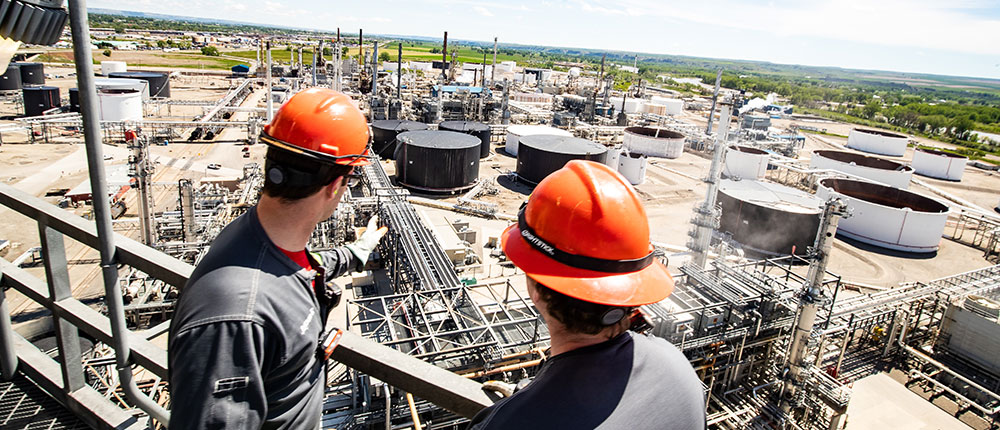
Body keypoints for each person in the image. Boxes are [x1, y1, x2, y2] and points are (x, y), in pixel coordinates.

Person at [168, 88, 387, 429]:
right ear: (336, 185)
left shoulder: (256, 236)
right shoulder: (236, 318)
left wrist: (353, 254)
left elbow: (294, 269)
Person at [469, 160, 706, 429]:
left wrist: (530, 401)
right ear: (631, 290)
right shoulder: (677, 369)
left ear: (535, 288)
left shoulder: (505, 424)